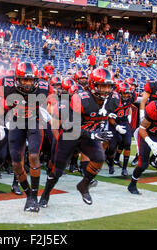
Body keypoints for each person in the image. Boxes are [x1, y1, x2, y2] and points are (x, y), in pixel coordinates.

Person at [0, 62, 52, 212]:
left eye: (31, 80)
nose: (27, 83)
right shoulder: (6, 85)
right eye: (24, 79)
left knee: (33, 156)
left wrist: (49, 109)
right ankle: (29, 195)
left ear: (36, 80)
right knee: (16, 164)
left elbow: (55, 98)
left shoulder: (44, 87)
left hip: (34, 121)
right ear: (17, 79)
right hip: (14, 122)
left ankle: (34, 195)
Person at [39, 67, 116, 207]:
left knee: (99, 158)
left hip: (87, 136)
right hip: (69, 136)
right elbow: (69, 126)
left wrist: (102, 128)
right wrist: (93, 133)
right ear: (93, 85)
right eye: (102, 86)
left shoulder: (113, 99)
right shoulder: (80, 99)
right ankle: (45, 194)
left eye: (108, 86)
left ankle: (83, 185)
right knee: (57, 171)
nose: (106, 90)